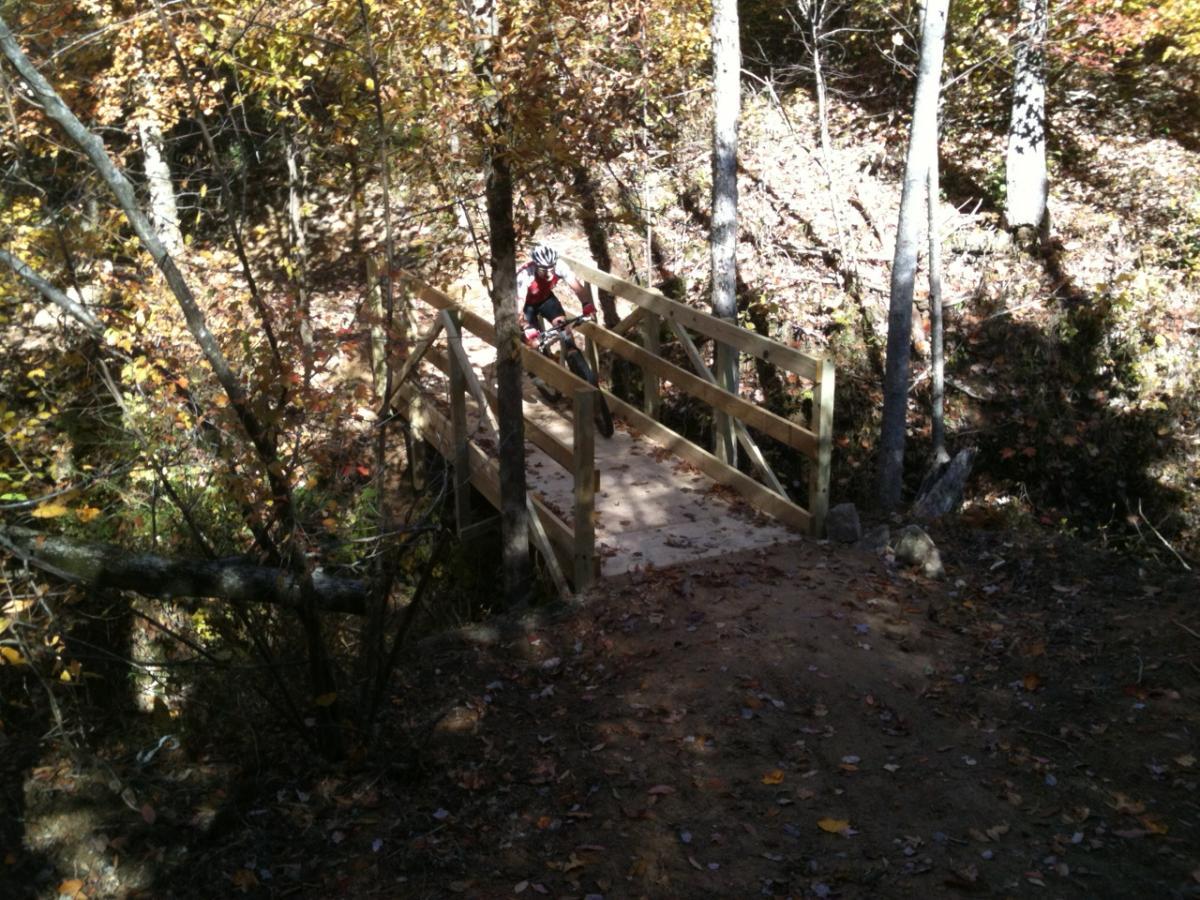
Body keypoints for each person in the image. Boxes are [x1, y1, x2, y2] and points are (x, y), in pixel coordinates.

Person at [516, 244, 595, 346]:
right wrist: (525, 326)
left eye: (551, 269)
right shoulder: (525, 274)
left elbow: (577, 286)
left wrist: (586, 304)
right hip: (526, 306)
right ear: (536, 266)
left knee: (564, 329)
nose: (549, 274)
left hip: (546, 299)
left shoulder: (560, 266)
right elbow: (518, 306)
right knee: (534, 343)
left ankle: (572, 352)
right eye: (544, 270)